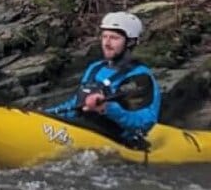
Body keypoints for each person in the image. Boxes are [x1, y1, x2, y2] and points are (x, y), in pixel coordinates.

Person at [45, 11, 160, 148]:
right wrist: (46, 115)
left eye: (114, 38)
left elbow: (144, 123)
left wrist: (107, 108)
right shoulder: (95, 68)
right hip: (85, 130)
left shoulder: (140, 78)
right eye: (104, 36)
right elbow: (75, 104)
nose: (107, 43)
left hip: (119, 142)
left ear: (130, 42)